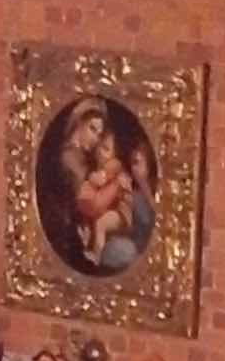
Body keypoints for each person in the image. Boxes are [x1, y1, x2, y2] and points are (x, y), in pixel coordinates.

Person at [45, 94, 158, 277]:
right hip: (70, 233)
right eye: (92, 129)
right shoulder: (69, 159)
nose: (96, 140)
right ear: (79, 124)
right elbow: (88, 204)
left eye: (99, 133)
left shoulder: (101, 165)